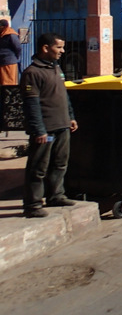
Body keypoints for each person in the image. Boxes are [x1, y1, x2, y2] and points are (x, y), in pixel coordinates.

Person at [21, 32, 78, 218]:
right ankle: (33, 204)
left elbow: (63, 95)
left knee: (60, 163)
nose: (62, 51)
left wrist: (70, 116)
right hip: (46, 130)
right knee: (38, 167)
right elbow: (32, 105)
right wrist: (39, 130)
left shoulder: (56, 68)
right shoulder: (32, 73)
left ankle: (56, 195)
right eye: (58, 47)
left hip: (62, 125)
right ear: (46, 48)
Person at [0, 19, 22, 85]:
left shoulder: (11, 35)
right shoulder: (1, 35)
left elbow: (18, 47)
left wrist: (16, 57)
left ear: (5, 27)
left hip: (9, 62)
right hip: (2, 61)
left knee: (9, 81)